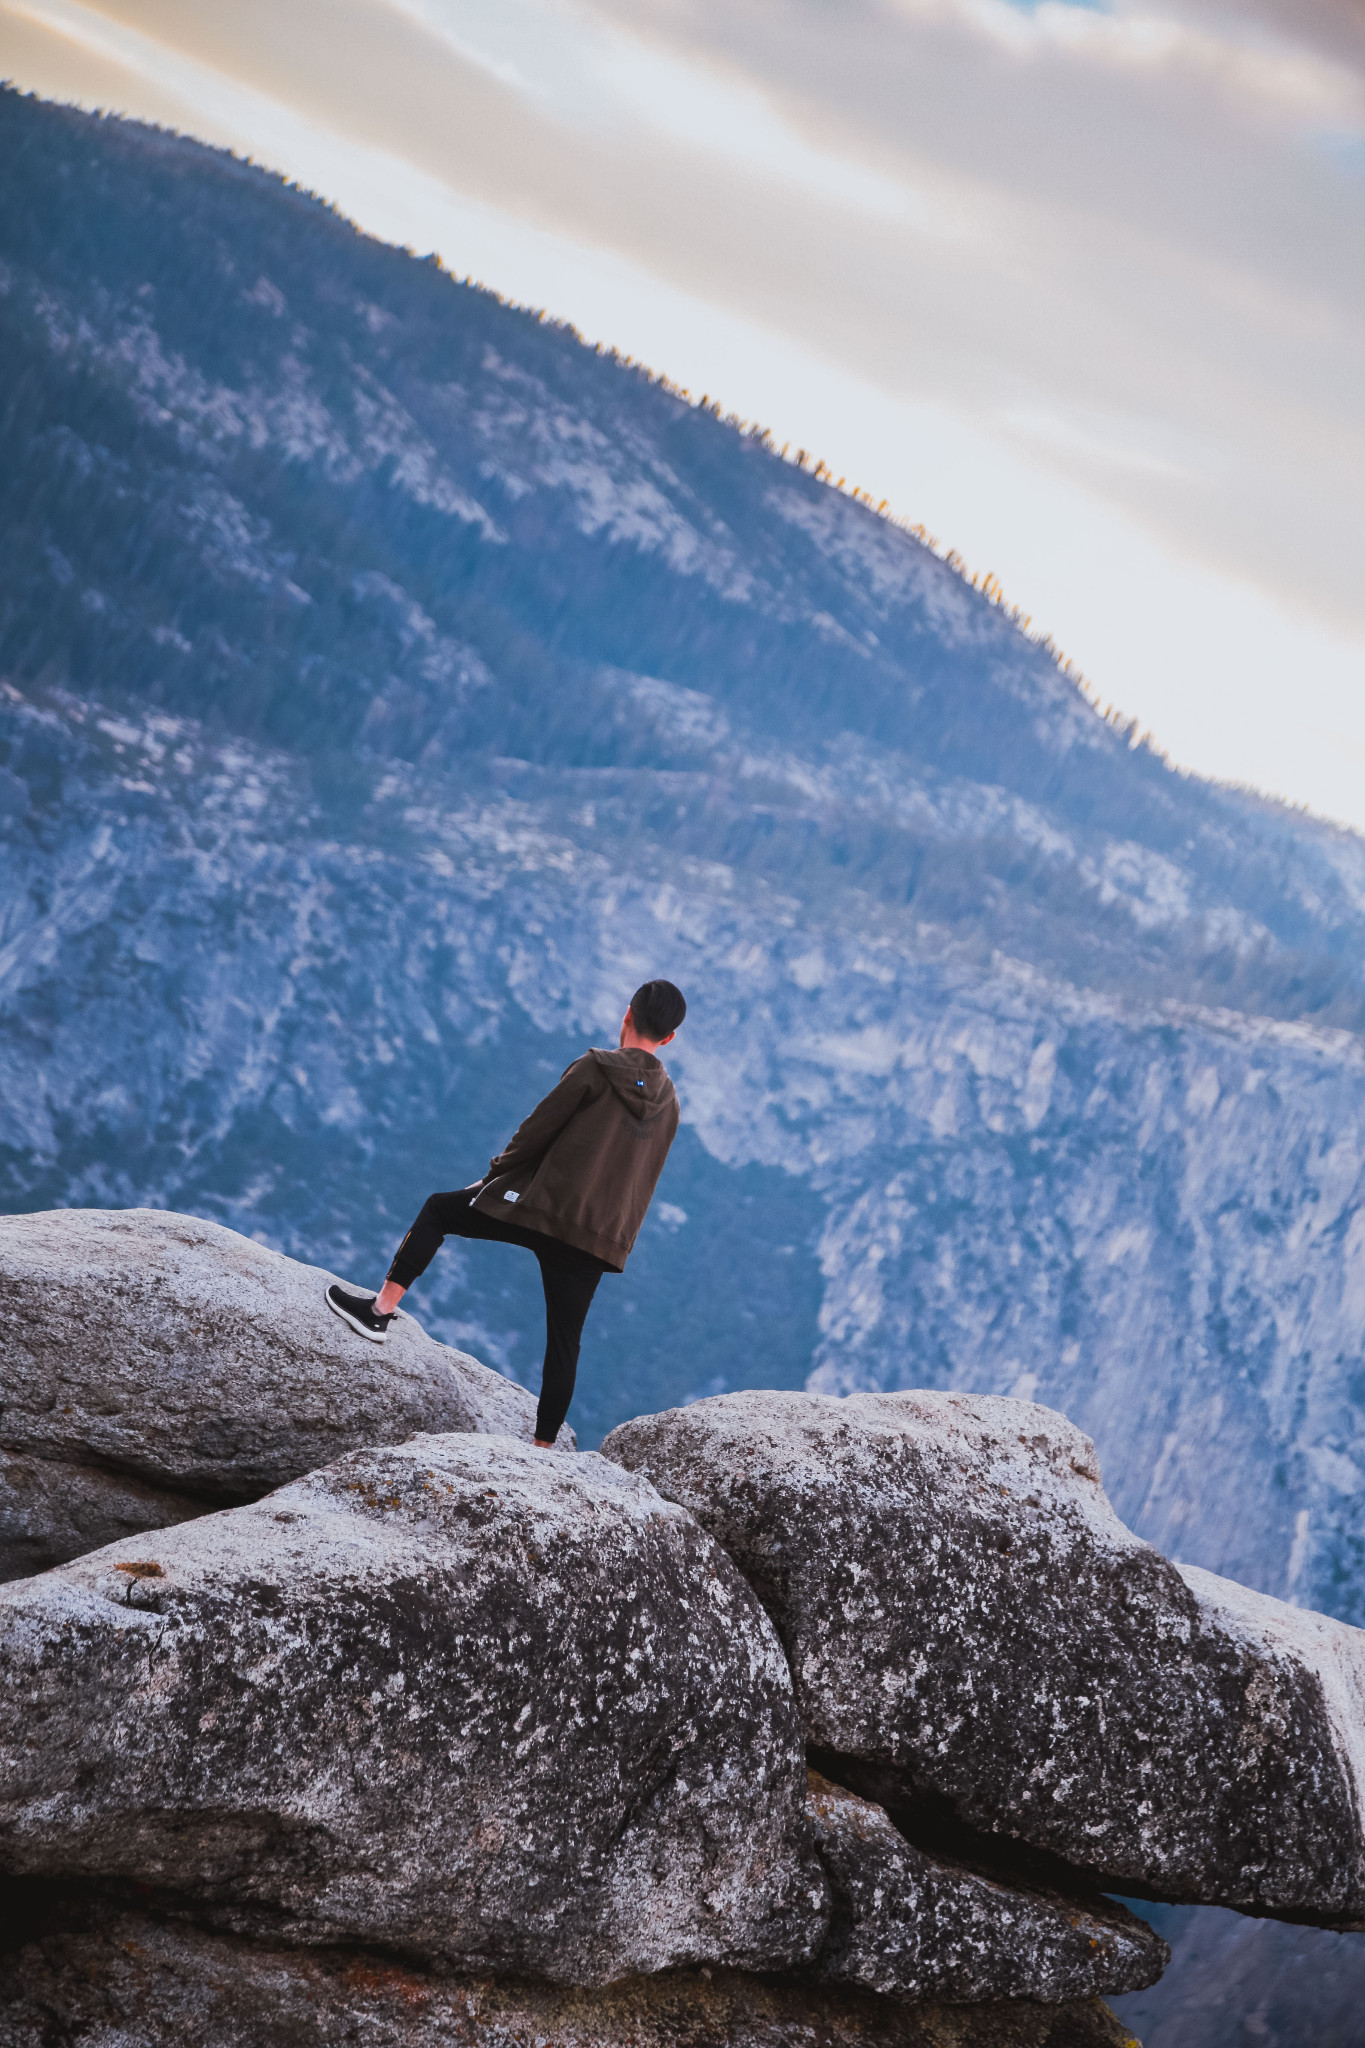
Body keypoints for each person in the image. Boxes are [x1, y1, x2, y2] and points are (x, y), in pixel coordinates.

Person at [325, 980, 686, 1447]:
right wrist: (615, 1242)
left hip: (539, 1209)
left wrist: (492, 1178)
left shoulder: (595, 1068)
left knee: (440, 1210)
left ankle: (378, 1312)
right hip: (597, 1238)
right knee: (564, 1344)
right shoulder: (671, 1105)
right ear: (670, 1038)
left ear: (627, 1016)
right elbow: (644, 1180)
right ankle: (541, 1451)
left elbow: (537, 1130)